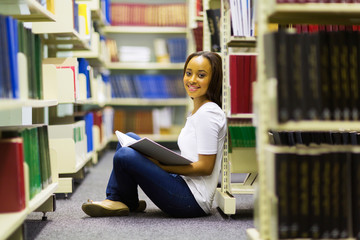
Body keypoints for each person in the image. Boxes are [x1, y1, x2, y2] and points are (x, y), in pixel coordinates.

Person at [82, 51, 227, 218]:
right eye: (188, 73)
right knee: (127, 139)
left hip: (192, 201)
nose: (192, 79)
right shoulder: (199, 109)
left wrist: (162, 166)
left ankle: (119, 200)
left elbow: (205, 167)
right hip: (182, 181)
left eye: (201, 75)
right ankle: (124, 201)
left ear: (213, 79)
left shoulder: (208, 114)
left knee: (125, 155)